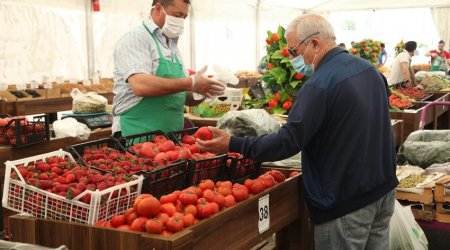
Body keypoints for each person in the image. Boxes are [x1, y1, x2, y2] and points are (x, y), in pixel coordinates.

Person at [197, 14, 398, 249]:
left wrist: (233, 144)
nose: (292, 59)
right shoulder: (369, 70)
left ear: (314, 44)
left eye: (293, 51)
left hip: (346, 202)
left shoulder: (320, 85)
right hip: (382, 191)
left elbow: (288, 142)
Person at [111, 0, 225, 136]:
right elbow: (140, 85)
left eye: (184, 17)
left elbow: (181, 97)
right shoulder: (136, 39)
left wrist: (202, 91)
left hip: (170, 141)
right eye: (177, 15)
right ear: (158, 8)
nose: (181, 21)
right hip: (136, 134)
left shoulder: (173, 48)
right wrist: (191, 82)